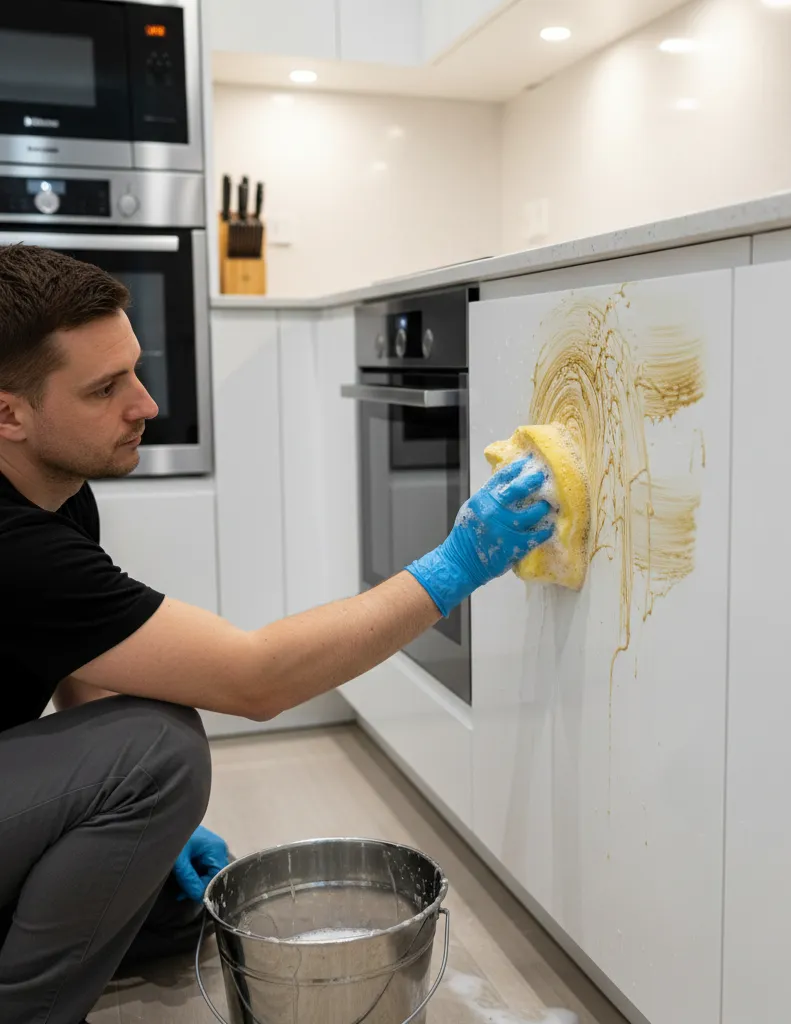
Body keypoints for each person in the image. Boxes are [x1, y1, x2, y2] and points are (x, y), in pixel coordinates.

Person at [0, 244, 553, 1024]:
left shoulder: (52, 489)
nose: (146, 404)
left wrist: (165, 830)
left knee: (163, 904)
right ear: (8, 412)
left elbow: (85, 667)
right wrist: (454, 565)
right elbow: (254, 679)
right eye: (104, 389)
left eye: (134, 369)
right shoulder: (13, 543)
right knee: (159, 751)